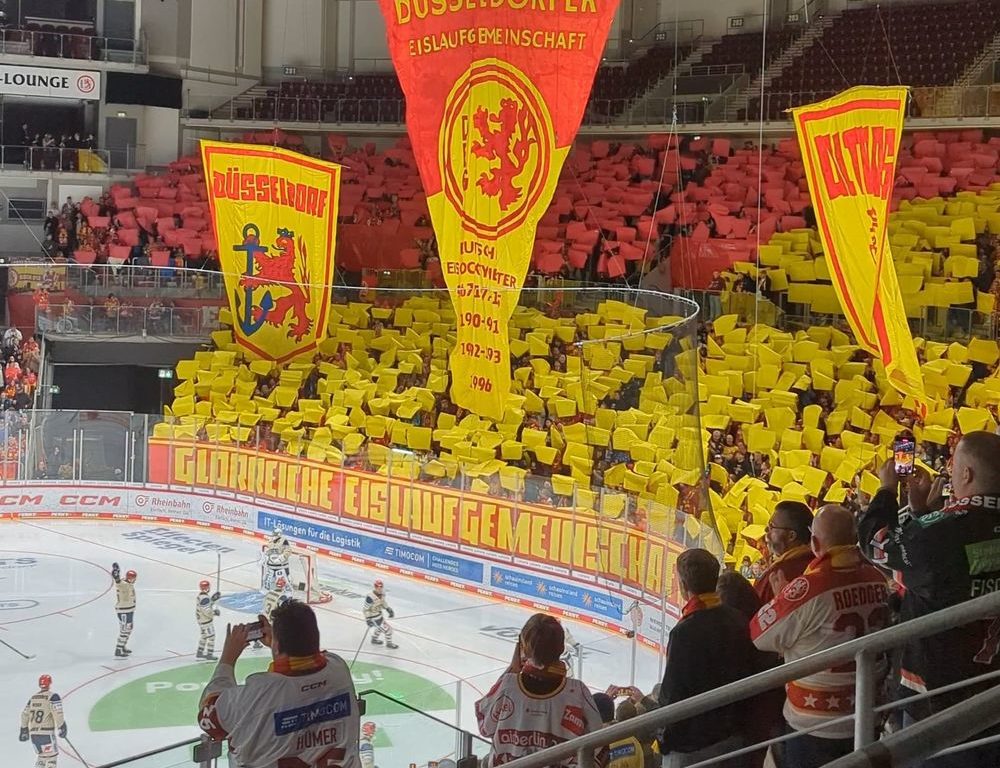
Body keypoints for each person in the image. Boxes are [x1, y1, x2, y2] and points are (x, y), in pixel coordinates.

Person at [859, 431, 1000, 767]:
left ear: (966, 475)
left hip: (938, 696)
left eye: (954, 469)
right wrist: (920, 511)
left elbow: (876, 544)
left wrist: (886, 489)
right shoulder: (944, 529)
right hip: (991, 684)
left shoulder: (944, 532)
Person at [752, 506, 889, 768]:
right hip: (866, 711)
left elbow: (759, 636)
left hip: (814, 724)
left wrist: (782, 597)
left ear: (814, 542)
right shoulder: (877, 578)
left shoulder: (808, 587)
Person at [198, 600, 361, 768]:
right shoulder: (338, 669)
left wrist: (228, 658)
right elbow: (308, 663)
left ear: (277, 644)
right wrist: (279, 644)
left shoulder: (257, 695)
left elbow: (208, 717)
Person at [657, 549, 757, 767]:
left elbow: (673, 693)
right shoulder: (738, 619)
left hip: (691, 744)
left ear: (683, 586)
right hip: (731, 734)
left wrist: (663, 738)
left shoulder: (684, 632)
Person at [476, 613, 606, 767]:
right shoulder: (577, 692)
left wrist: (512, 669)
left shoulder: (508, 685)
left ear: (524, 648)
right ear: (562, 647)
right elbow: (599, 747)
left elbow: (485, 727)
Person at [755, 500, 814, 605]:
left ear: (791, 536)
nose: (766, 531)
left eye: (772, 527)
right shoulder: (818, 563)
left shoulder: (778, 575)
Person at [19, 675, 67, 768]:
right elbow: (58, 713)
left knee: (41, 757)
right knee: (51, 758)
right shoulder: (53, 697)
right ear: (50, 683)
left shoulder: (33, 698)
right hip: (46, 733)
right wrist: (61, 726)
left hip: (34, 734)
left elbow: (24, 714)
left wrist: (24, 729)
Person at [254, 575, 292, 649]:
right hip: (273, 618)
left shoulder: (269, 593)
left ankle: (258, 641)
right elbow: (283, 608)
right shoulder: (282, 596)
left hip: (266, 615)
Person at [111, 562, 136, 657]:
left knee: (129, 628)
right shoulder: (123, 584)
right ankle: (118, 649)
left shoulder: (128, 583)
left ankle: (122, 646)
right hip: (124, 611)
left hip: (129, 610)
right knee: (125, 630)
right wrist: (116, 573)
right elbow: (117, 581)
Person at [363, 579, 398, 649]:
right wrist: (368, 619)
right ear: (375, 587)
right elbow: (366, 609)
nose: (379, 589)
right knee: (388, 630)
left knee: (379, 628)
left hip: (379, 615)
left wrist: (388, 609)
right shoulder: (370, 597)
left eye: (381, 587)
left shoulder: (382, 594)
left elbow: (383, 602)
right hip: (373, 617)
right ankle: (389, 643)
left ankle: (374, 639)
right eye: (377, 587)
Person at [196, 580, 222, 660]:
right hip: (206, 621)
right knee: (211, 637)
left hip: (201, 620)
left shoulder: (201, 596)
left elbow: (205, 605)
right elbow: (206, 610)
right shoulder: (205, 598)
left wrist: (213, 600)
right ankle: (209, 654)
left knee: (204, 636)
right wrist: (214, 612)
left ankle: (200, 652)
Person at [261, 526, 292, 591]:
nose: (273, 535)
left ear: (279, 534)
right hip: (271, 566)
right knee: (269, 580)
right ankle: (270, 591)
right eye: (273, 533)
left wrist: (281, 558)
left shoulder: (284, 541)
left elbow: (288, 551)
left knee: (284, 581)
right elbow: (269, 550)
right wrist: (265, 557)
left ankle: (287, 592)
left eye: (274, 534)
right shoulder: (270, 540)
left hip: (282, 566)